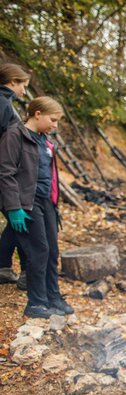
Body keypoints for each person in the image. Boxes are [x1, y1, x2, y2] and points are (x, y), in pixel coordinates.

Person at [0, 96, 74, 318]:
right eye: (53, 120)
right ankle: (36, 303)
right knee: (38, 251)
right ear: (37, 114)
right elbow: (5, 173)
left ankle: (53, 297)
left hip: (46, 202)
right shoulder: (14, 136)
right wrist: (13, 208)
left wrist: (53, 202)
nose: (55, 125)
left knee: (52, 251)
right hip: (26, 203)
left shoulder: (44, 140)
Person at [0, 63, 30, 287]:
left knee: (15, 221)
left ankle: (4, 267)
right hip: (7, 174)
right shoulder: (2, 103)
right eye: (23, 86)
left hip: (7, 173)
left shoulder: (5, 102)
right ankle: (29, 274)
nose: (24, 91)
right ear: (12, 82)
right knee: (21, 221)